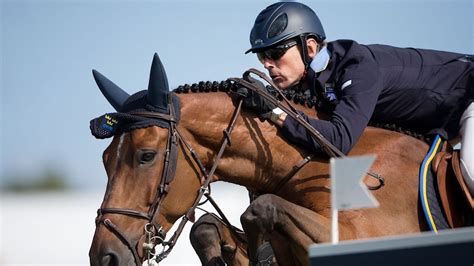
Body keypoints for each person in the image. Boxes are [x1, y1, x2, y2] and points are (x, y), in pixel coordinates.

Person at [241, 2, 474, 195]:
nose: (267, 64)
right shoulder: (310, 83)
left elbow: (339, 140)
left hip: (468, 93)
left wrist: (275, 111)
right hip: (441, 122)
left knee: (470, 173)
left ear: (310, 48)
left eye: (275, 53)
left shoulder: (357, 66)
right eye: (262, 56)